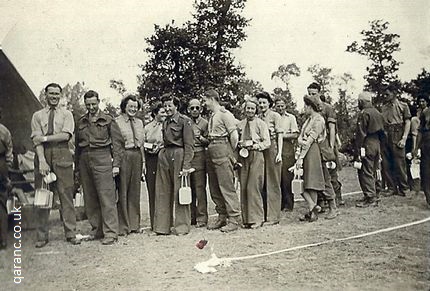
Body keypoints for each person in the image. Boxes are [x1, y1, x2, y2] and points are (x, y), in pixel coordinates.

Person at [31, 83, 80, 248]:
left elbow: (65, 136)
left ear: (60, 95)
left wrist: (45, 138)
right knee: (43, 195)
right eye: (51, 93)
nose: (54, 96)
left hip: (62, 154)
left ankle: (71, 233)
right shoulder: (37, 115)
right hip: (43, 155)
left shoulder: (67, 114)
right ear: (45, 95)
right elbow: (35, 141)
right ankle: (42, 236)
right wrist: (42, 160)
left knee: (66, 194)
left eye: (57, 94)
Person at [75, 90, 124, 245]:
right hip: (84, 158)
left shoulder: (108, 120)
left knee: (106, 196)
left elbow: (117, 144)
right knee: (90, 197)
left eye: (94, 104)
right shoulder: (81, 121)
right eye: (88, 104)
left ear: (99, 102)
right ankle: (97, 229)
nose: (91, 107)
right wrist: (77, 167)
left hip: (102, 157)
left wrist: (116, 165)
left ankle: (111, 233)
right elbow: (77, 146)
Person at [153, 94, 194, 235]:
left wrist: (186, 165)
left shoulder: (185, 121)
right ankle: (162, 227)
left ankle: (182, 227)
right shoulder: (165, 122)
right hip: (165, 155)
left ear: (176, 106)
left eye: (170, 105)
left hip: (179, 155)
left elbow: (189, 145)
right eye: (165, 105)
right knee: (162, 190)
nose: (167, 108)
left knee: (180, 191)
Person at [202, 89, 241, 233]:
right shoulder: (213, 115)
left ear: (212, 99)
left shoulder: (226, 114)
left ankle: (234, 219)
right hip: (212, 147)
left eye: (205, 100)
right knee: (214, 186)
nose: (204, 104)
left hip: (222, 146)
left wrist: (229, 152)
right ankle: (222, 215)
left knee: (226, 185)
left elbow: (234, 136)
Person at [237, 99, 270, 228]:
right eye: (248, 108)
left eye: (252, 108)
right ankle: (246, 219)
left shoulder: (261, 124)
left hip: (256, 154)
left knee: (253, 186)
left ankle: (257, 218)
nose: (249, 111)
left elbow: (267, 142)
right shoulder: (240, 124)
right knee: (244, 186)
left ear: (256, 110)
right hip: (243, 156)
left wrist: (255, 146)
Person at [307, 83, 338, 218]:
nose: (312, 96)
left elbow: (331, 129)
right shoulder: (309, 111)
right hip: (313, 150)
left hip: (323, 147)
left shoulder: (327, 108)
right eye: (309, 93)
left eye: (314, 93)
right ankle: (317, 207)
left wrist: (330, 147)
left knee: (327, 178)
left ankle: (333, 207)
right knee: (314, 179)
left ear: (319, 93)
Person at [116, 95, 145, 235]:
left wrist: (143, 162)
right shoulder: (117, 122)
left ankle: (134, 224)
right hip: (124, 155)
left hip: (137, 156)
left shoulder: (139, 122)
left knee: (135, 191)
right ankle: (123, 226)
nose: (133, 109)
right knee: (123, 190)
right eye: (130, 106)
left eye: (135, 107)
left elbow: (142, 145)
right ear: (124, 107)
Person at [295, 95, 326, 222]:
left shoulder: (318, 120)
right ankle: (312, 207)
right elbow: (302, 138)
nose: (304, 108)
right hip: (305, 151)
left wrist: (300, 158)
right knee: (304, 182)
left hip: (311, 152)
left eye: (305, 106)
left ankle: (312, 209)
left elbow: (309, 141)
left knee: (310, 182)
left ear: (310, 106)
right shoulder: (309, 120)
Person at [354, 92, 385, 207]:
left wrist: (358, 149)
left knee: (365, 170)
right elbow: (383, 132)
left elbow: (361, 133)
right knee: (375, 169)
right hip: (376, 143)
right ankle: (375, 193)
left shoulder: (364, 113)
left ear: (362, 101)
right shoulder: (377, 112)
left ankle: (370, 197)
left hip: (367, 143)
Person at [257, 91, 283, 225]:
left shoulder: (275, 116)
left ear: (269, 103)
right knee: (262, 182)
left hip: (272, 148)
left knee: (273, 181)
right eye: (260, 102)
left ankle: (273, 217)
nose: (261, 105)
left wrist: (279, 153)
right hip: (261, 149)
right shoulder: (258, 117)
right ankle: (263, 214)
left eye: (264, 102)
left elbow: (279, 135)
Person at [380, 84, 411, 197]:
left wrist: (404, 138)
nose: (385, 96)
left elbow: (408, 122)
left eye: (387, 94)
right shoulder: (383, 107)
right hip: (386, 134)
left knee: (399, 162)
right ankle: (392, 187)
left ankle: (404, 187)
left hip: (398, 132)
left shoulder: (403, 106)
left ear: (394, 94)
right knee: (386, 163)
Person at [143, 102, 166, 230]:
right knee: (152, 190)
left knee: (164, 190)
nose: (164, 114)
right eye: (162, 112)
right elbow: (143, 143)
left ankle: (165, 221)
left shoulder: (168, 126)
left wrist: (161, 147)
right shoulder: (147, 127)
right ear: (155, 113)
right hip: (151, 159)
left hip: (164, 157)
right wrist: (150, 148)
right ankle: (154, 223)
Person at [274, 97, 299, 211]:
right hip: (275, 148)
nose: (280, 108)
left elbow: (295, 134)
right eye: (278, 106)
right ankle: (279, 204)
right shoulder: (273, 117)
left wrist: (281, 136)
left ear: (285, 106)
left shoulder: (291, 118)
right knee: (277, 178)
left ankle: (289, 204)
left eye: (282, 106)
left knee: (286, 177)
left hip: (287, 148)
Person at [187, 99, 209, 227]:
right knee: (189, 188)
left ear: (201, 109)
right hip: (189, 155)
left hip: (200, 154)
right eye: (192, 108)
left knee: (200, 187)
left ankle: (202, 218)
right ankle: (191, 217)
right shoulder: (186, 122)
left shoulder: (205, 123)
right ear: (188, 109)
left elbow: (209, 140)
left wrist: (200, 137)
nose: (194, 110)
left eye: (197, 108)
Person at [0, 116, 13, 250]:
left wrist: (6, 171)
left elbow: (9, 151)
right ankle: (2, 240)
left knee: (1, 204)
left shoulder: (3, 131)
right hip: (1, 166)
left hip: (0, 166)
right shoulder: (4, 130)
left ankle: (2, 240)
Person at [416, 95, 430, 208]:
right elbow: (420, 132)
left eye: (423, 101)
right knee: (425, 170)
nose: (421, 103)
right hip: (426, 143)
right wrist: (416, 148)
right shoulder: (423, 114)